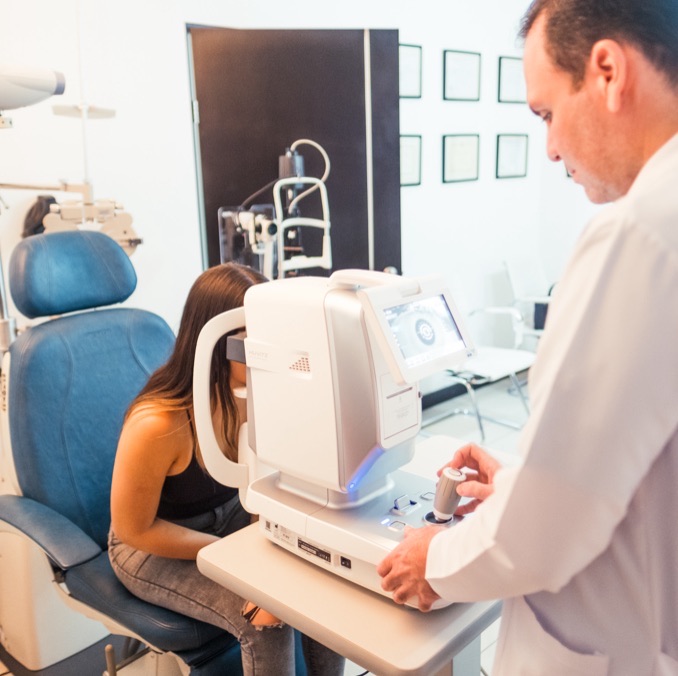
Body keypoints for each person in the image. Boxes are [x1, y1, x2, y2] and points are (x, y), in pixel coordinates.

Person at [378, 1, 678, 674]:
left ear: (606, 72)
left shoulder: (639, 234)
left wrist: (435, 557)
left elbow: (543, 536)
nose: (549, 148)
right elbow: (643, 477)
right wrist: (525, 479)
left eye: (545, 114)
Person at [109, 262, 345, 676]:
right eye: (256, 340)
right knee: (266, 615)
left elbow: (264, 486)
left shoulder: (256, 393)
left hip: (229, 518)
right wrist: (239, 561)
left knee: (317, 581)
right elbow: (134, 529)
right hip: (151, 543)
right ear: (217, 343)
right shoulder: (157, 423)